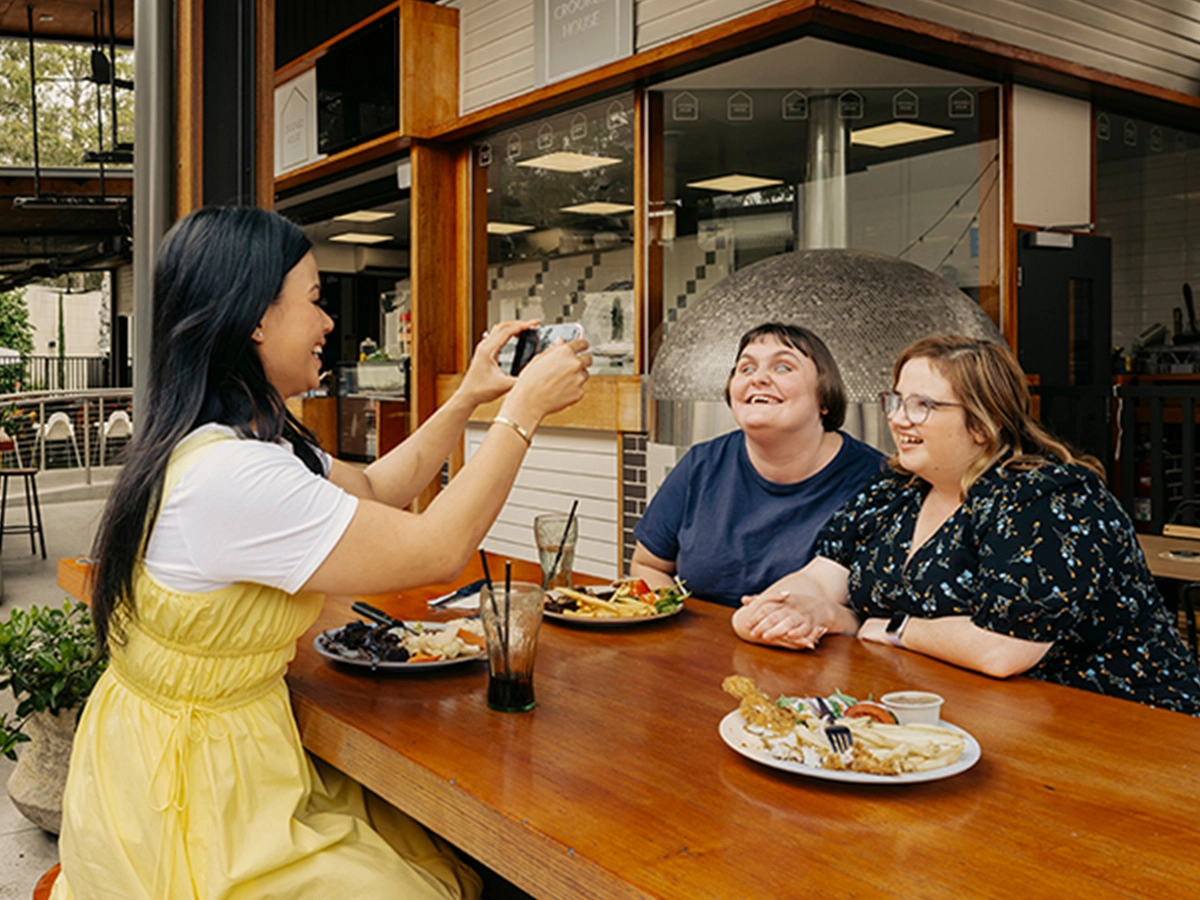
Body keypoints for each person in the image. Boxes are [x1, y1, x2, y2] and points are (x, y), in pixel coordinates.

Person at [52, 206, 592, 899]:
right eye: (314, 301)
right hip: (192, 797)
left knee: (433, 856)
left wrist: (467, 402)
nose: (329, 324)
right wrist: (525, 413)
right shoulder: (232, 476)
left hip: (220, 756)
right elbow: (437, 548)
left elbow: (371, 487)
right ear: (254, 319)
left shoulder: (243, 440)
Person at [734, 334, 1200, 715]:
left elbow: (1003, 652)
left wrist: (887, 626)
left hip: (1124, 725)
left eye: (922, 406)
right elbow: (820, 576)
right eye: (895, 400)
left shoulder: (1048, 496)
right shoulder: (895, 490)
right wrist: (791, 611)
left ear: (983, 422)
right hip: (977, 716)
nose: (898, 419)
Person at [631, 323, 883, 606]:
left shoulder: (879, 482)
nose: (759, 378)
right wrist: (685, 629)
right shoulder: (699, 465)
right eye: (746, 369)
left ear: (824, 396)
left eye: (783, 367)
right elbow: (648, 566)